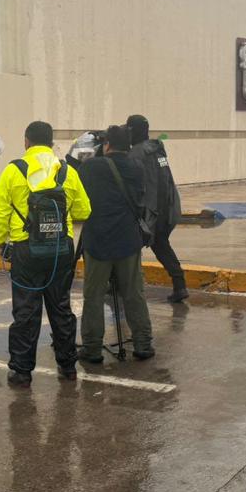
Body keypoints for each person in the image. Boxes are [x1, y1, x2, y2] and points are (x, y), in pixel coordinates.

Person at [0, 121, 91, 387]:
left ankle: (22, 371)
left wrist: (0, 245)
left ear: (26, 142)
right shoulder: (67, 171)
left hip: (26, 251)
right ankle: (68, 366)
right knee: (61, 307)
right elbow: (84, 211)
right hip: (60, 250)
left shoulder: (14, 171)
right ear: (51, 142)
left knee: (26, 311)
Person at [75, 125, 154, 363]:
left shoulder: (91, 167)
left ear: (106, 144)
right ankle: (143, 343)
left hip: (98, 241)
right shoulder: (137, 166)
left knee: (94, 296)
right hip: (128, 240)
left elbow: (81, 180)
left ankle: (91, 348)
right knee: (134, 293)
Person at [126, 114, 187, 303]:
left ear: (132, 131)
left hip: (149, 211)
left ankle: (127, 288)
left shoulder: (137, 153)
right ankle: (180, 284)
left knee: (132, 248)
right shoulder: (157, 149)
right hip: (165, 208)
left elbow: (137, 184)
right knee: (161, 245)